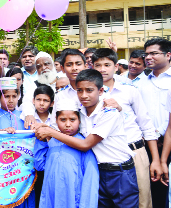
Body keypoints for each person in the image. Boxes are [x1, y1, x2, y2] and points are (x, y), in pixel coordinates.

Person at [35, 69, 139, 207]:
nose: (84, 95)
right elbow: (64, 121)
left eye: (89, 90)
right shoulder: (81, 112)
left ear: (101, 91)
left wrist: (51, 132)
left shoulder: (109, 113)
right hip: (98, 170)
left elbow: (85, 144)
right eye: (79, 90)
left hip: (119, 173)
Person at [92, 48, 161, 208]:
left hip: (135, 152)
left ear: (116, 66)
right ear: (92, 67)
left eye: (107, 65)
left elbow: (146, 126)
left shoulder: (129, 91)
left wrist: (156, 160)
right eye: (98, 65)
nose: (102, 69)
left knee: (142, 200)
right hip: (105, 157)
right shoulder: (89, 94)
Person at [34, 101, 99, 208]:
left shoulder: (83, 144)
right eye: (62, 120)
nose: (68, 124)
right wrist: (42, 140)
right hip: (51, 199)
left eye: (72, 119)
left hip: (73, 201)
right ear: (56, 120)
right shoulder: (52, 142)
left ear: (79, 120)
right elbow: (39, 166)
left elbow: (90, 183)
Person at [0, 85, 35, 208]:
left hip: (22, 172)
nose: (11, 100)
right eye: (6, 96)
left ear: (19, 96)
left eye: (14, 96)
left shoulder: (24, 117)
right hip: (1, 174)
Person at [138, 38, 171, 208]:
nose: (148, 57)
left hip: (168, 142)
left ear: (168, 55)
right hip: (150, 145)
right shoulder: (141, 83)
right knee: (154, 193)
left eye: (153, 53)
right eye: (146, 54)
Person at [23, 49, 86, 130]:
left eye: (47, 64)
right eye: (39, 66)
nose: (44, 68)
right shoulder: (35, 85)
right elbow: (27, 101)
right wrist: (29, 114)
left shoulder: (65, 80)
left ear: (53, 65)